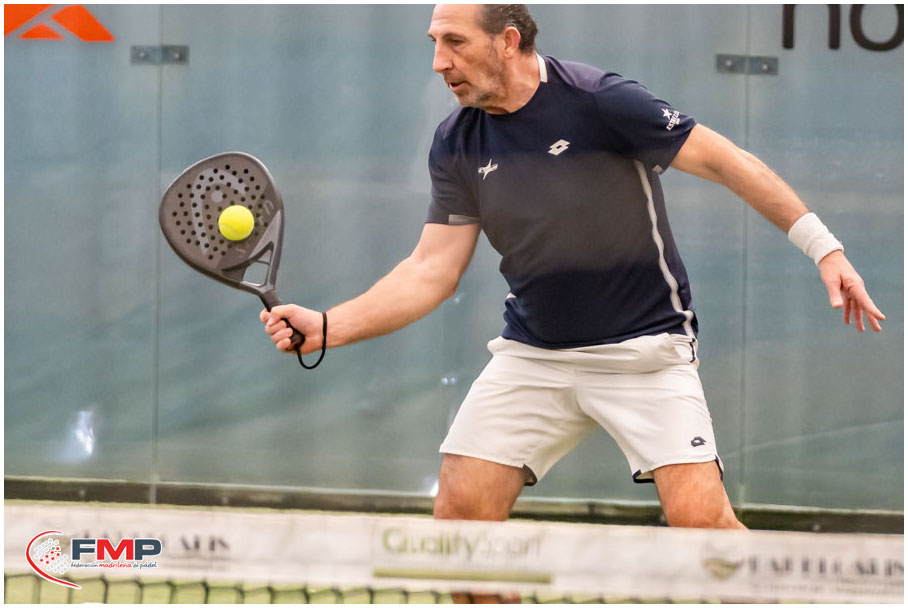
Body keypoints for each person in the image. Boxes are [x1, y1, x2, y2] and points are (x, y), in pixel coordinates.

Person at [262, 4, 884, 533]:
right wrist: (329, 326)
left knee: (705, 534)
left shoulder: (600, 101)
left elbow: (725, 161)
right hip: (533, 354)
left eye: (454, 42)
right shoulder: (456, 142)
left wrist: (824, 248)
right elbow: (431, 269)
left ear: (508, 41)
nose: (438, 62)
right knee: (458, 526)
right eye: (434, 43)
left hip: (645, 352)